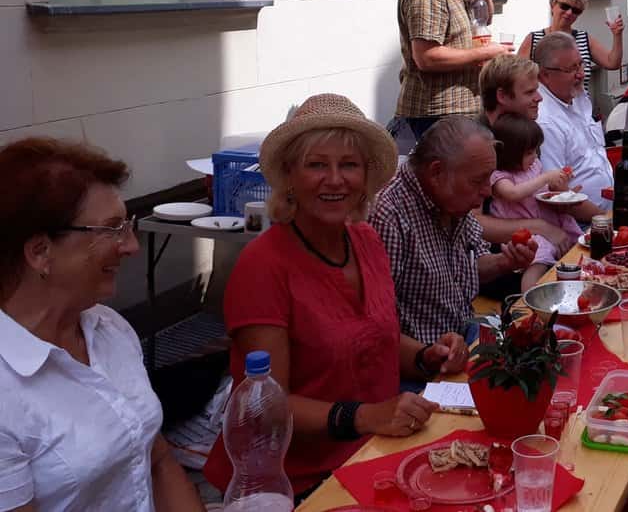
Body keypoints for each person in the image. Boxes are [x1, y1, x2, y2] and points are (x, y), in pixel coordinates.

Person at [205, 94, 468, 498]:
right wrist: (365, 416)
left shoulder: (365, 239)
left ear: (365, 176)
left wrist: (426, 355)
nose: (334, 179)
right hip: (294, 483)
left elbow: (370, 336)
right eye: (316, 165)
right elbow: (266, 407)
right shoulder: (263, 265)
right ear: (289, 175)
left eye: (348, 165)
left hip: (373, 455)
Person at [0, 138, 204, 512]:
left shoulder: (108, 327)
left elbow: (157, 460)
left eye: (127, 225)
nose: (131, 246)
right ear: (40, 251)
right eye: (112, 229)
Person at [369, 117, 536, 345]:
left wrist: (505, 261)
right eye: (478, 181)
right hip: (426, 358)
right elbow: (374, 324)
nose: (487, 191)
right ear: (436, 172)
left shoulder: (451, 197)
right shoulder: (388, 214)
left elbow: (469, 266)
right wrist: (425, 355)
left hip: (465, 331)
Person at [394, 0, 507, 141]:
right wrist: (486, 53)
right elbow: (427, 57)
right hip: (435, 115)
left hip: (455, 112)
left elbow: (482, 22)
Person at [487, 114, 581, 291]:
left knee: (573, 234)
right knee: (539, 256)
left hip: (545, 219)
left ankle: (578, 276)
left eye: (536, 150)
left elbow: (541, 192)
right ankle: (528, 297)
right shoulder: (500, 177)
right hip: (525, 232)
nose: (535, 156)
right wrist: (545, 177)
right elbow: (513, 194)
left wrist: (560, 189)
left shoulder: (533, 166)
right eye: (529, 153)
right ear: (510, 155)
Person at [533, 31, 612, 218]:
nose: (581, 74)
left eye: (581, 64)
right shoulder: (546, 121)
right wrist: (604, 220)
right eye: (571, 69)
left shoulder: (575, 95)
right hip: (581, 222)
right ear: (545, 75)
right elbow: (557, 194)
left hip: (605, 211)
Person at [516, 0, 624, 92]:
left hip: (579, 102)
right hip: (544, 102)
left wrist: (617, 35)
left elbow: (612, 63)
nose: (569, 12)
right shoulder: (534, 39)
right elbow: (518, 75)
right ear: (553, 5)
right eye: (564, 6)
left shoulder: (584, 38)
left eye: (576, 10)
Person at [478, 53, 543, 126]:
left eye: (536, 90)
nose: (539, 98)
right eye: (530, 92)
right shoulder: (475, 132)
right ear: (502, 96)